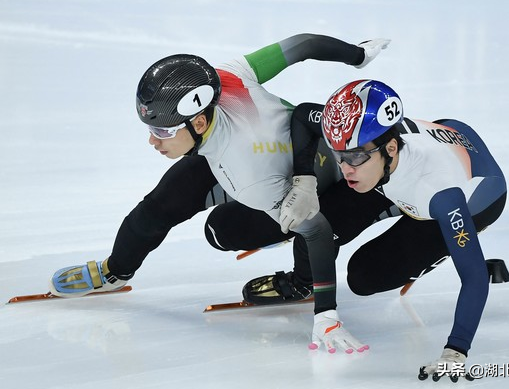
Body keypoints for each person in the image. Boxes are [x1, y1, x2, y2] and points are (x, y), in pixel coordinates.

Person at [48, 34, 393, 353]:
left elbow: (316, 231)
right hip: (259, 153)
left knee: (227, 230)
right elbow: (302, 45)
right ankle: (115, 270)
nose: (152, 141)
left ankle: (301, 278)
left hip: (302, 182)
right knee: (162, 206)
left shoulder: (252, 179)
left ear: (197, 122)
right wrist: (357, 55)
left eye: (161, 130)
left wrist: (325, 314)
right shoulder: (226, 77)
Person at [280, 79, 507, 380]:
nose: (346, 168)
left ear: (389, 148)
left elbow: (475, 277)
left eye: (356, 155)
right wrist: (303, 179)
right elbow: (303, 115)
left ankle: (444, 251)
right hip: (433, 141)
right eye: (339, 155)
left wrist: (456, 350)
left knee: (363, 277)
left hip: (479, 194)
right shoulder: (362, 138)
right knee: (321, 221)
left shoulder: (442, 194)